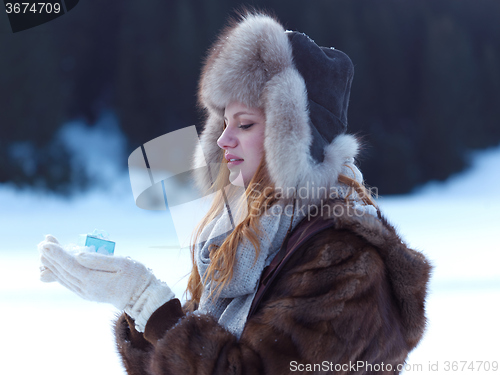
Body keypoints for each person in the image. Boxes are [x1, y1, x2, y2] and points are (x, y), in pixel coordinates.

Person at [38, 12, 431, 375]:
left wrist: (149, 302)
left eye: (244, 124)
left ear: (295, 137)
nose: (223, 139)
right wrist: (134, 306)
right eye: (223, 122)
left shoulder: (345, 261)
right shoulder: (250, 239)